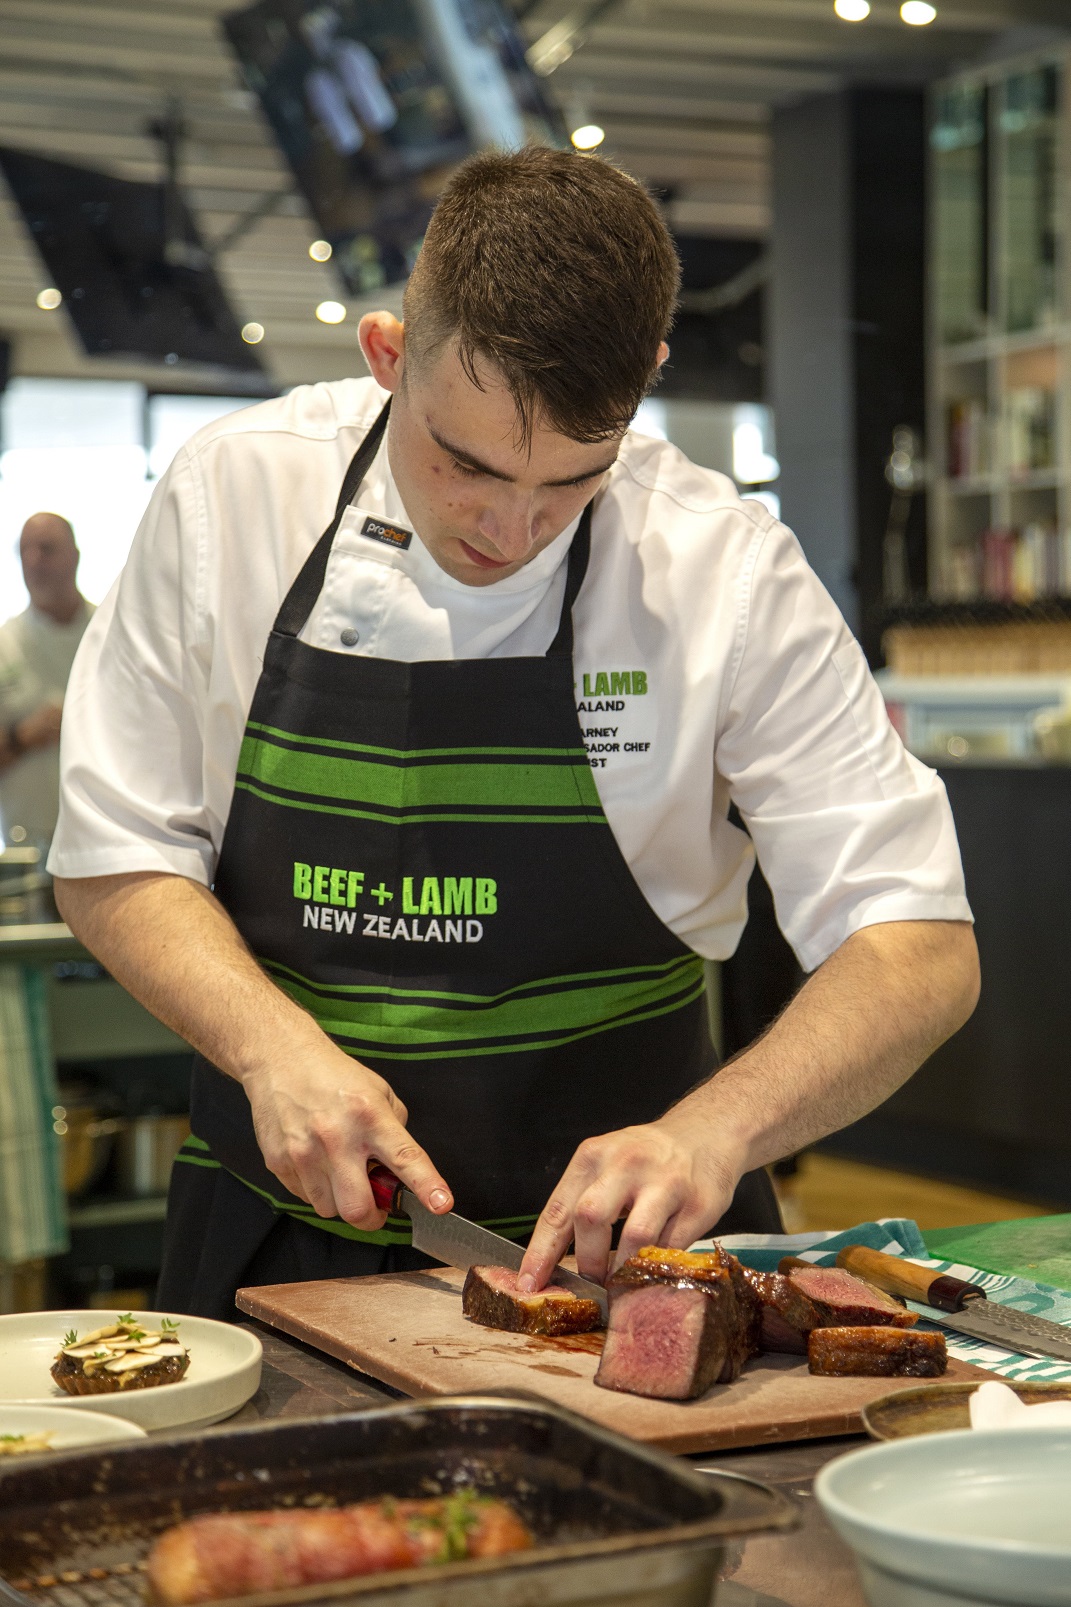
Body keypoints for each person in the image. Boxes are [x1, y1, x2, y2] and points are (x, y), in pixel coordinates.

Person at [49, 148, 979, 1320]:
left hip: (630, 1264)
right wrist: (267, 1046)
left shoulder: (722, 569)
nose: (512, 528)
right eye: (465, 463)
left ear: (642, 387)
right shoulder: (232, 497)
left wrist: (714, 1131)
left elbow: (920, 939)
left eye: (572, 482)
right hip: (277, 1244)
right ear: (389, 356)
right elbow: (113, 854)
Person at [0, 512, 94, 844]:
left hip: (104, 840)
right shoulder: (5, 644)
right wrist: (25, 735)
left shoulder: (109, 634)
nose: (33, 561)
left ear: (75, 556)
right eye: (24, 551)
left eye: (46, 548)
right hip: (27, 847)